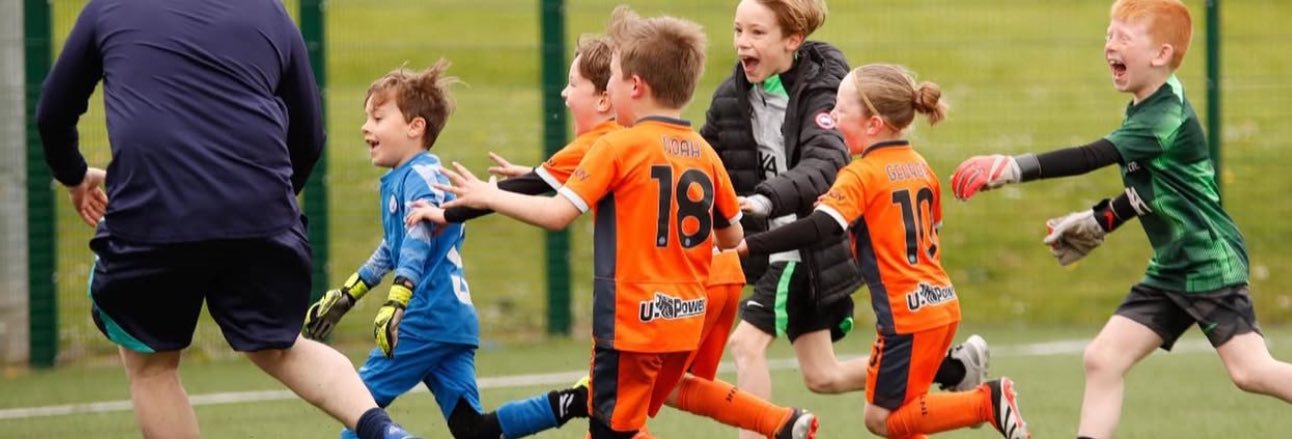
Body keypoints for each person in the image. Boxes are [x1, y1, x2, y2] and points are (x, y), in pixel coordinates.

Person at [35, 1, 414, 438]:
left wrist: (74, 176)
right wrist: (256, 205)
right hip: (262, 212)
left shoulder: (109, 7)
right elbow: (309, 136)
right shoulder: (269, 11)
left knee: (153, 366)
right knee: (282, 349)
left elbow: (52, 114)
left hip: (153, 217)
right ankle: (383, 431)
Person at [408, 34, 817, 439]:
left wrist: (488, 196)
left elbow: (555, 214)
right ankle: (776, 422)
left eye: (615, 79)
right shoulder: (704, 152)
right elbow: (731, 239)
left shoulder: (618, 146)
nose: (578, 91)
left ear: (634, 86)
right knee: (637, 410)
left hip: (631, 324)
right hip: (685, 317)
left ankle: (775, 422)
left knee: (612, 428)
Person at [947, 0, 1292, 437]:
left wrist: (1011, 168)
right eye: (1108, 34)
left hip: (1209, 264)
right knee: (1103, 358)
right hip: (1173, 267)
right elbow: (1156, 189)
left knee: (1252, 372)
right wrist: (1104, 219)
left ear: (1161, 55)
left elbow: (1092, 156)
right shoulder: (1147, 105)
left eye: (1123, 37)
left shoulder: (1163, 115)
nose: (1109, 45)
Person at [702, 2, 987, 433]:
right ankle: (945, 370)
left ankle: (767, 427)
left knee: (745, 345)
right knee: (823, 376)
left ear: (792, 41)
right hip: (785, 249)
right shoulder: (730, 97)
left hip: (802, 248)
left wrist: (763, 203)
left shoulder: (826, 95)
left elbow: (822, 166)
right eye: (739, 29)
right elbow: (706, 162)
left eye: (758, 32)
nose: (743, 41)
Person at [737, 63, 1030, 439]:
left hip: (906, 319)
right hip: (939, 304)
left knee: (880, 418)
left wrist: (749, 245)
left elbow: (819, 227)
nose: (830, 117)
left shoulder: (861, 174)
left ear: (873, 124)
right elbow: (927, 230)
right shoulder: (920, 167)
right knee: (904, 413)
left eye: (840, 110)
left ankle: (985, 402)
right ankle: (971, 390)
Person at [299, 59, 499, 438]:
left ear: (414, 127)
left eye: (377, 118)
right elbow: (393, 249)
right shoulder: (405, 177)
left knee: (355, 410)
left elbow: (418, 239)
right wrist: (349, 294)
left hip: (422, 318)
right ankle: (564, 403)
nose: (365, 127)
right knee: (472, 429)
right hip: (451, 321)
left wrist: (397, 301)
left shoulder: (419, 177)